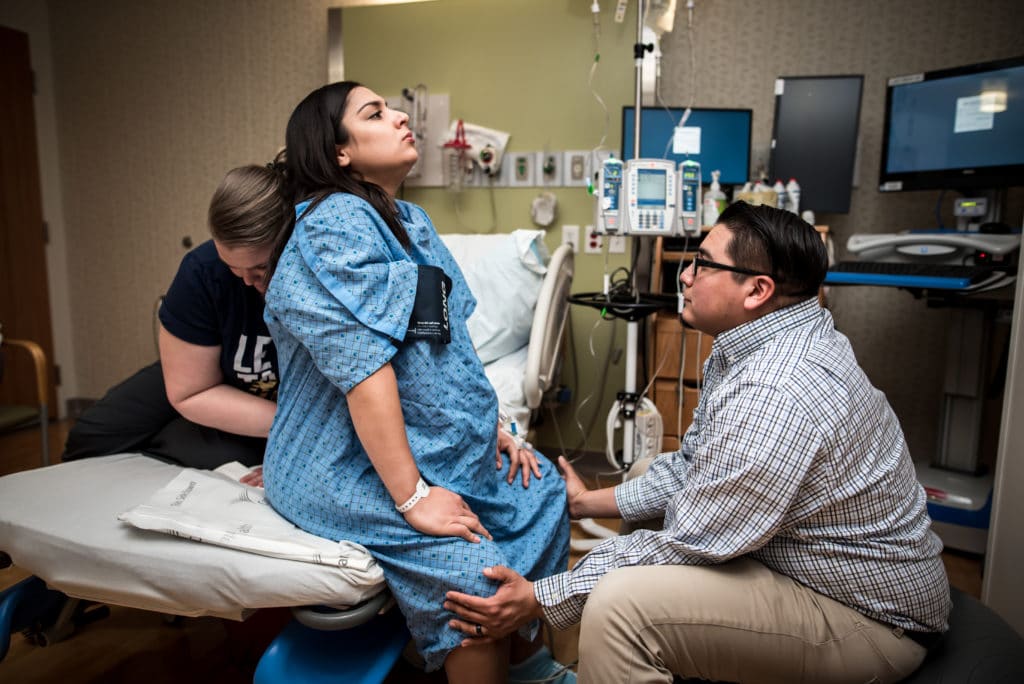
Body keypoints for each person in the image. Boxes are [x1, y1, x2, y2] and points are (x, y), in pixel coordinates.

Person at [445, 201, 952, 683]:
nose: (684, 276)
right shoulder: (760, 346)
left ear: (756, 290)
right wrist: (583, 503)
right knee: (649, 479)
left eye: (703, 265)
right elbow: (693, 467)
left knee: (621, 608)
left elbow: (694, 540)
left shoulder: (775, 390)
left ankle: (624, 650)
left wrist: (538, 597)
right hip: (815, 565)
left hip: (869, 621)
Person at [260, 81, 572, 683]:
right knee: (473, 573)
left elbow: (450, 346)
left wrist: (497, 428)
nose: (401, 115)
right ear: (338, 153)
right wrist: (414, 499)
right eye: (374, 113)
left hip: (421, 446)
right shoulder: (333, 224)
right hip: (341, 462)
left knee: (542, 496)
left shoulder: (409, 220)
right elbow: (364, 370)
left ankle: (529, 664)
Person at [62, 162, 289, 479]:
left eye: (260, 270)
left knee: (210, 455)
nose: (248, 283)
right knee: (91, 435)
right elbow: (190, 390)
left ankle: (182, 439)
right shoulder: (203, 269)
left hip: (283, 403)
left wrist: (296, 435)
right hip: (204, 373)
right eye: (234, 270)